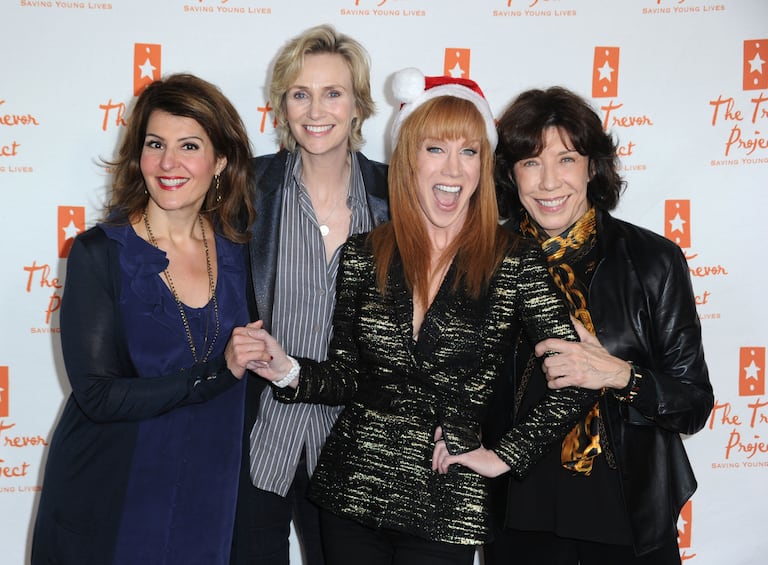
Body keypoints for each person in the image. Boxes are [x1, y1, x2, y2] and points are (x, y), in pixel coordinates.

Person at [228, 68, 598, 565]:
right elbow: (347, 375)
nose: (453, 169)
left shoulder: (515, 260)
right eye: (435, 149)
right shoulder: (364, 253)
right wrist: (286, 370)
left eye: (469, 151)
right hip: (350, 494)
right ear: (407, 158)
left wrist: (504, 455)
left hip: (446, 501)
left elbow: (578, 379)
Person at [481, 86, 714, 565]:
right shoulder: (483, 262)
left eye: (565, 160)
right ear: (510, 173)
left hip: (628, 513)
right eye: (530, 162)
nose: (548, 183)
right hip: (518, 514)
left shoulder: (653, 261)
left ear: (592, 166)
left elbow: (692, 403)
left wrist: (617, 374)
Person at [31, 73, 256, 565]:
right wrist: (217, 374)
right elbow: (97, 394)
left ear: (219, 161)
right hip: (111, 495)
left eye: (189, 145)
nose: (168, 163)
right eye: (155, 144)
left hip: (209, 494)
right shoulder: (98, 253)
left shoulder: (243, 252)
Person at [230, 24, 389, 565]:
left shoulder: (394, 196)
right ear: (282, 105)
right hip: (262, 435)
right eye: (301, 93)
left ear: (358, 106)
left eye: (332, 93)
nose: (315, 109)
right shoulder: (247, 190)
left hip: (357, 442)